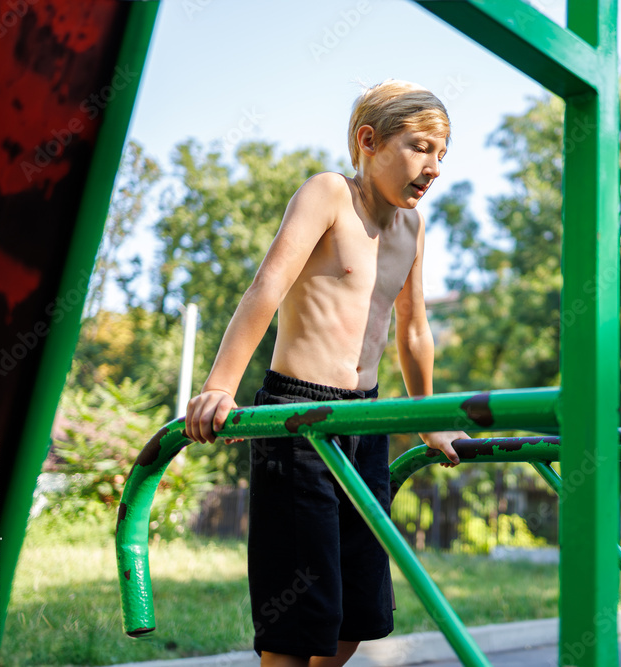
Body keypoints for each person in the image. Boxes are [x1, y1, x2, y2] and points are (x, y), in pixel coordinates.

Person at [184, 80, 466, 667]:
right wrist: (219, 386)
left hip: (367, 417)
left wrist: (430, 422)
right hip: (297, 420)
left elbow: (414, 330)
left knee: (357, 616)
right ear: (369, 140)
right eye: (420, 147)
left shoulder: (412, 231)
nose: (434, 166)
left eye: (442, 153)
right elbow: (267, 285)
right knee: (298, 621)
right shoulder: (329, 195)